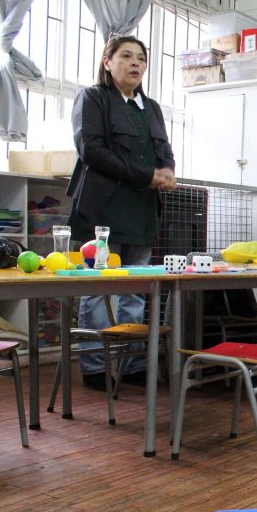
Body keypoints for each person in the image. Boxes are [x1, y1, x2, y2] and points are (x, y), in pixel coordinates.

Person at [66, 34, 176, 390]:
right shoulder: (93, 98)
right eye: (126, 56)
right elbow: (91, 150)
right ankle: (96, 367)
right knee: (97, 290)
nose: (135, 64)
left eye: (141, 59)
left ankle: (133, 365)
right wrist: (147, 175)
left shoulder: (152, 107)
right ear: (107, 61)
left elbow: (164, 149)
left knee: (136, 290)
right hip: (101, 210)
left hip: (142, 210)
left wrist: (169, 170)